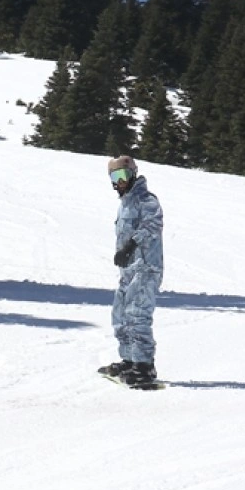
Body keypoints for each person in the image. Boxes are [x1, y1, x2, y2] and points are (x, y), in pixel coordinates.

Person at [96, 156, 164, 388]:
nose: (120, 181)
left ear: (133, 174)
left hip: (146, 268)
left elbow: (153, 225)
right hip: (129, 270)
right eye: (115, 177)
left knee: (137, 315)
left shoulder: (146, 199)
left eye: (124, 175)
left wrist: (131, 245)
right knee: (120, 315)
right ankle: (130, 360)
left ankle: (144, 367)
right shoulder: (125, 203)